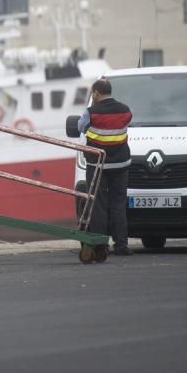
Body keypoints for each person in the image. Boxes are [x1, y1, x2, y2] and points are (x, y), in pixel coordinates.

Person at [78, 78, 134, 256]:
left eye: (92, 93)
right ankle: (122, 245)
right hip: (121, 164)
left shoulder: (91, 112)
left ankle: (101, 245)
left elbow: (81, 127)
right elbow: (125, 123)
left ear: (96, 93)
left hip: (97, 165)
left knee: (98, 204)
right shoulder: (125, 110)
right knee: (118, 204)